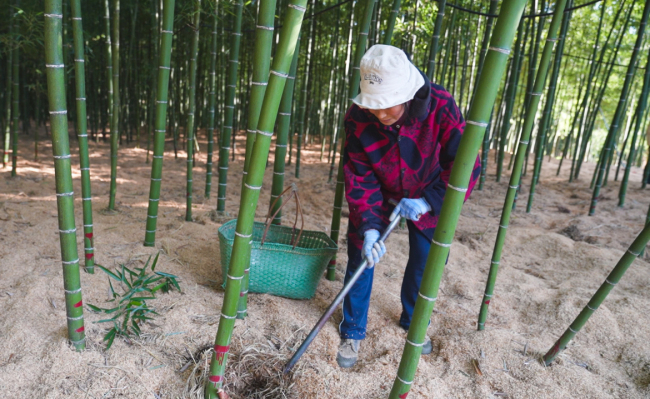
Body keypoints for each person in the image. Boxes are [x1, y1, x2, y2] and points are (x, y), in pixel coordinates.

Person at [337, 44, 481, 368]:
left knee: (427, 260)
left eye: (387, 107)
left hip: (428, 189)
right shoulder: (357, 119)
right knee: (361, 255)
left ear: (406, 93)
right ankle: (353, 330)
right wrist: (371, 228)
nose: (380, 114)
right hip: (381, 188)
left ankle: (414, 321)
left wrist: (429, 201)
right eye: (374, 107)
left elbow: (465, 163)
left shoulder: (440, 105)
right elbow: (359, 176)